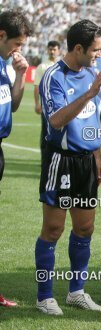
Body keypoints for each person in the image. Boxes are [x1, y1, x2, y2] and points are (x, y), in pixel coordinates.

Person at [35, 19, 101, 315]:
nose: (98, 56)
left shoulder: (90, 72)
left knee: (85, 228)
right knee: (53, 228)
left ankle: (76, 291)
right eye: (94, 50)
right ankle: (44, 296)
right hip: (60, 161)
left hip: (86, 162)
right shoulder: (53, 77)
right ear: (77, 48)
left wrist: (97, 154)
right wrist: (88, 93)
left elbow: (91, 119)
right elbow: (55, 120)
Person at [0, 9, 32, 308]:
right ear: (1, 35)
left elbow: (15, 104)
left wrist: (21, 74)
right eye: (17, 44)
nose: (19, 50)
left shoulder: (5, 65)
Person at [34, 41, 60, 155]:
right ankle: (45, 158)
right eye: (50, 49)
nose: (52, 52)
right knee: (46, 132)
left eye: (54, 49)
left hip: (60, 105)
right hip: (46, 105)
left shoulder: (62, 65)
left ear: (59, 50)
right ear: (47, 50)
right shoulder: (42, 67)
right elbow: (36, 87)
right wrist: (37, 104)